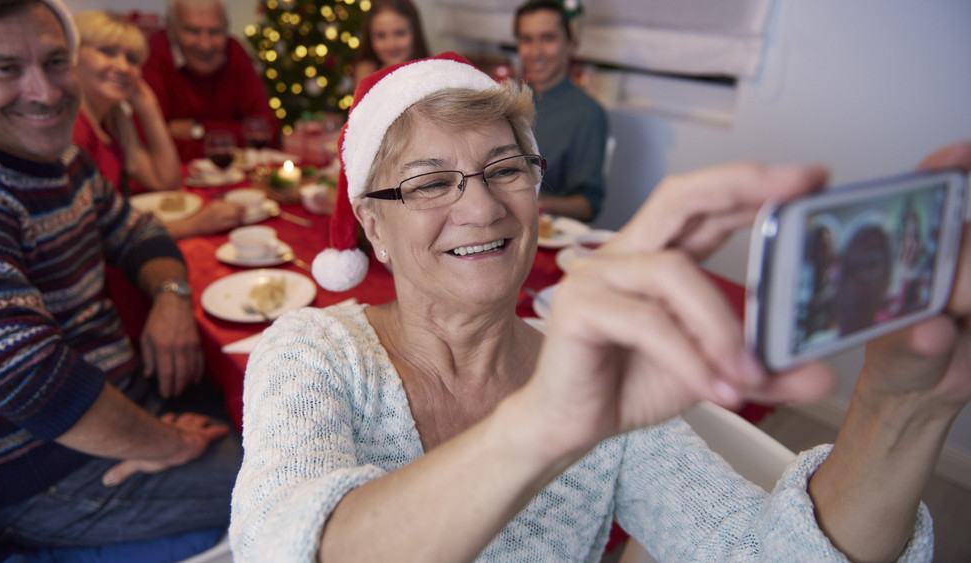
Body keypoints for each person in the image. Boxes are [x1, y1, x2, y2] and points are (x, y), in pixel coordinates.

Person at [230, 52, 971, 561]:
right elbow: (284, 547)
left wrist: (900, 403)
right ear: (372, 227)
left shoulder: (594, 372)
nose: (482, 206)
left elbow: (759, 551)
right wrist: (544, 422)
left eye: (504, 167)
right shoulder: (311, 351)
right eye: (429, 182)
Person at [0, 0, 241, 553]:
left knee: (291, 406)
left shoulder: (63, 158)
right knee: (303, 475)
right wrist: (168, 444)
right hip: (46, 474)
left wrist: (170, 296)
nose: (44, 92)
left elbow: (140, 232)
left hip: (121, 408)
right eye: (5, 70)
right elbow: (29, 379)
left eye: (53, 62)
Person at [73, 10, 244, 239]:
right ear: (71, 56)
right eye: (107, 51)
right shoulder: (74, 130)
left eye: (132, 59)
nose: (123, 67)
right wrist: (194, 225)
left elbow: (166, 182)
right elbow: (92, 238)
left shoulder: (113, 124)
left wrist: (149, 108)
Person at [143, 0, 280, 161]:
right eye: (192, 31)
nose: (205, 45)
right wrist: (234, 139)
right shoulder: (154, 54)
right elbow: (150, 145)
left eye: (215, 32)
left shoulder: (234, 51)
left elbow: (268, 131)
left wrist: (199, 129)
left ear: (226, 27)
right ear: (171, 29)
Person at [514, 0, 607, 222]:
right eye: (526, 39)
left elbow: (588, 205)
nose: (536, 52)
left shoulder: (587, 114)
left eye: (548, 38)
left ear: (571, 44)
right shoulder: (510, 101)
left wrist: (534, 202)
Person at [352, 0, 429, 84]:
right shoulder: (366, 74)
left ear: (415, 32)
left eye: (400, 33)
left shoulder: (431, 74)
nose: (391, 45)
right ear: (369, 38)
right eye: (381, 35)